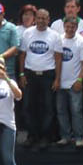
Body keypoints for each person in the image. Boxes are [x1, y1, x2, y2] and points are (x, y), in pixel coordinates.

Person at [19, 8, 58, 149]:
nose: (41, 21)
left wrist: (57, 79)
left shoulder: (54, 36)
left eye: (44, 18)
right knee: (28, 107)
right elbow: (22, 55)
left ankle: (45, 137)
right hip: (30, 74)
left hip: (48, 75)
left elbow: (58, 58)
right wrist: (22, 74)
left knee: (47, 107)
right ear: (35, 19)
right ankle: (32, 135)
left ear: (49, 20)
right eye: (39, 18)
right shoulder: (28, 33)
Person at [52, 16, 83, 146]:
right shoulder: (58, 40)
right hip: (60, 83)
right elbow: (55, 60)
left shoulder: (82, 42)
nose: (69, 29)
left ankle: (79, 137)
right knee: (61, 111)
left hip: (74, 83)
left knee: (76, 111)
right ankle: (65, 136)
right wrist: (56, 80)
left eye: (72, 27)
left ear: (77, 27)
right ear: (64, 26)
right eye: (67, 26)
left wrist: (79, 80)